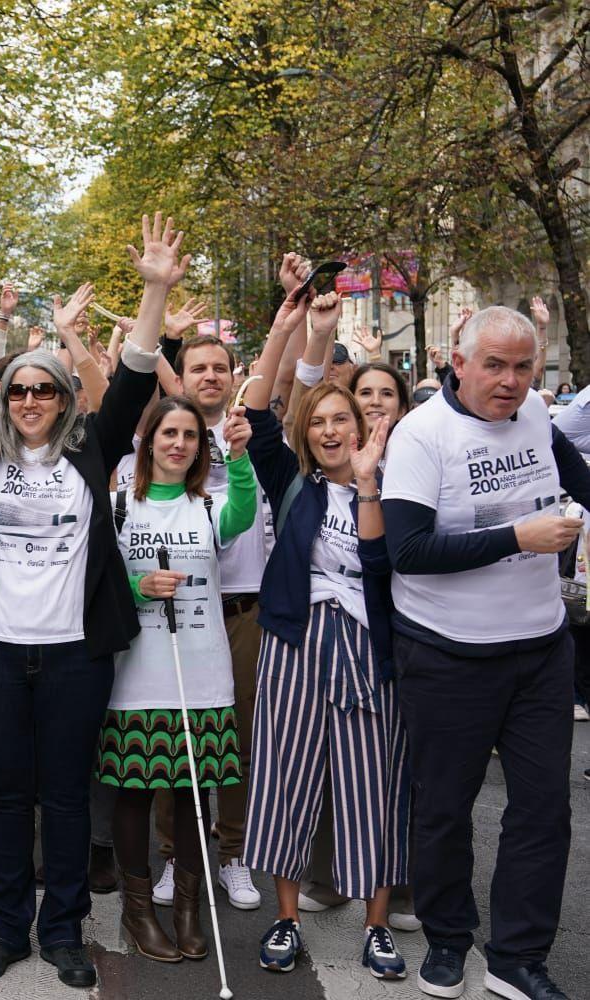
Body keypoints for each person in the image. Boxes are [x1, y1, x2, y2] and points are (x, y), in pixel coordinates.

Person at [0, 213, 186, 989]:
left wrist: (154, 292)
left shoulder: (90, 452)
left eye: (42, 389)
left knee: (67, 796)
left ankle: (63, 934)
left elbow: (137, 374)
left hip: (76, 655)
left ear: (62, 399)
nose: (27, 400)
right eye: (16, 388)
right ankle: (6, 929)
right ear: (3, 396)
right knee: (8, 796)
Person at [383, 305, 590, 1000]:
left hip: (539, 650)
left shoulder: (535, 412)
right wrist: (516, 538)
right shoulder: (420, 435)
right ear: (458, 361)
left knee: (542, 809)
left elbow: (580, 481)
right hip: (448, 655)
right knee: (443, 806)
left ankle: (517, 958)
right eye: (494, 365)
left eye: (523, 366)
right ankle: (447, 939)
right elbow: (406, 552)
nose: (510, 382)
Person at [237, 289, 409, 981]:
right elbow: (255, 411)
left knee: (374, 785)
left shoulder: (399, 488)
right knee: (285, 780)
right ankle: (285, 920)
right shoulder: (293, 482)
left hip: (370, 651)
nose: (332, 431)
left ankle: (376, 928)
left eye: (345, 420)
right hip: (295, 643)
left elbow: (378, 566)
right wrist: (297, 329)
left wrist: (367, 486)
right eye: (321, 424)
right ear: (307, 433)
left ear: (364, 426)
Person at [102, 396, 256, 964]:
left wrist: (239, 457)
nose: (178, 444)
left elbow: (243, 514)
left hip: (201, 667)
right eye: (168, 432)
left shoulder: (207, 504)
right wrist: (137, 587)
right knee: (134, 794)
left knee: (196, 795)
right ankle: (138, 910)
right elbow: (99, 577)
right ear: (148, 440)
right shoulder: (118, 505)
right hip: (138, 672)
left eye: (190, 435)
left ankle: (189, 908)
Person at [149, 313, 272, 913]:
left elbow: (243, 514)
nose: (210, 376)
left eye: (220, 368)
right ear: (182, 378)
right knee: (175, 739)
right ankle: (176, 855)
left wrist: (244, 458)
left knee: (237, 742)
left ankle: (233, 854)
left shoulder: (251, 431)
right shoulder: (169, 436)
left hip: (243, 608)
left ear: (234, 377)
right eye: (198, 367)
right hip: (176, 608)